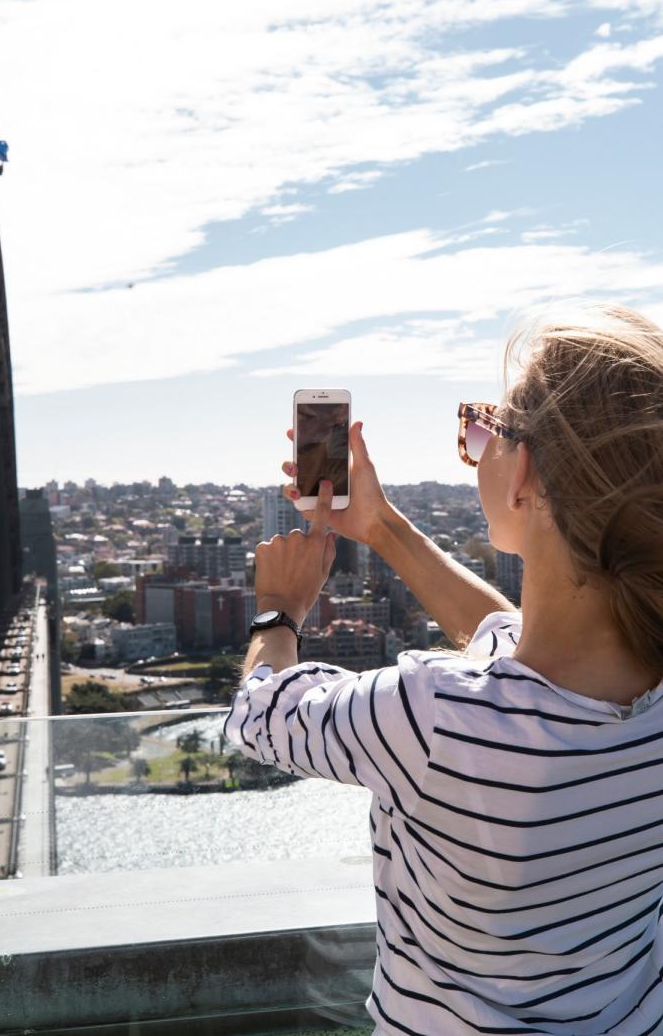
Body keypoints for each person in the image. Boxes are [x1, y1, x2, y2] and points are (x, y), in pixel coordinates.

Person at [225, 305, 663, 1036]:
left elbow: (260, 714)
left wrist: (280, 609)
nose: (476, 442)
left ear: (522, 469)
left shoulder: (428, 715)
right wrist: (383, 527)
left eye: (485, 426)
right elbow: (508, 641)